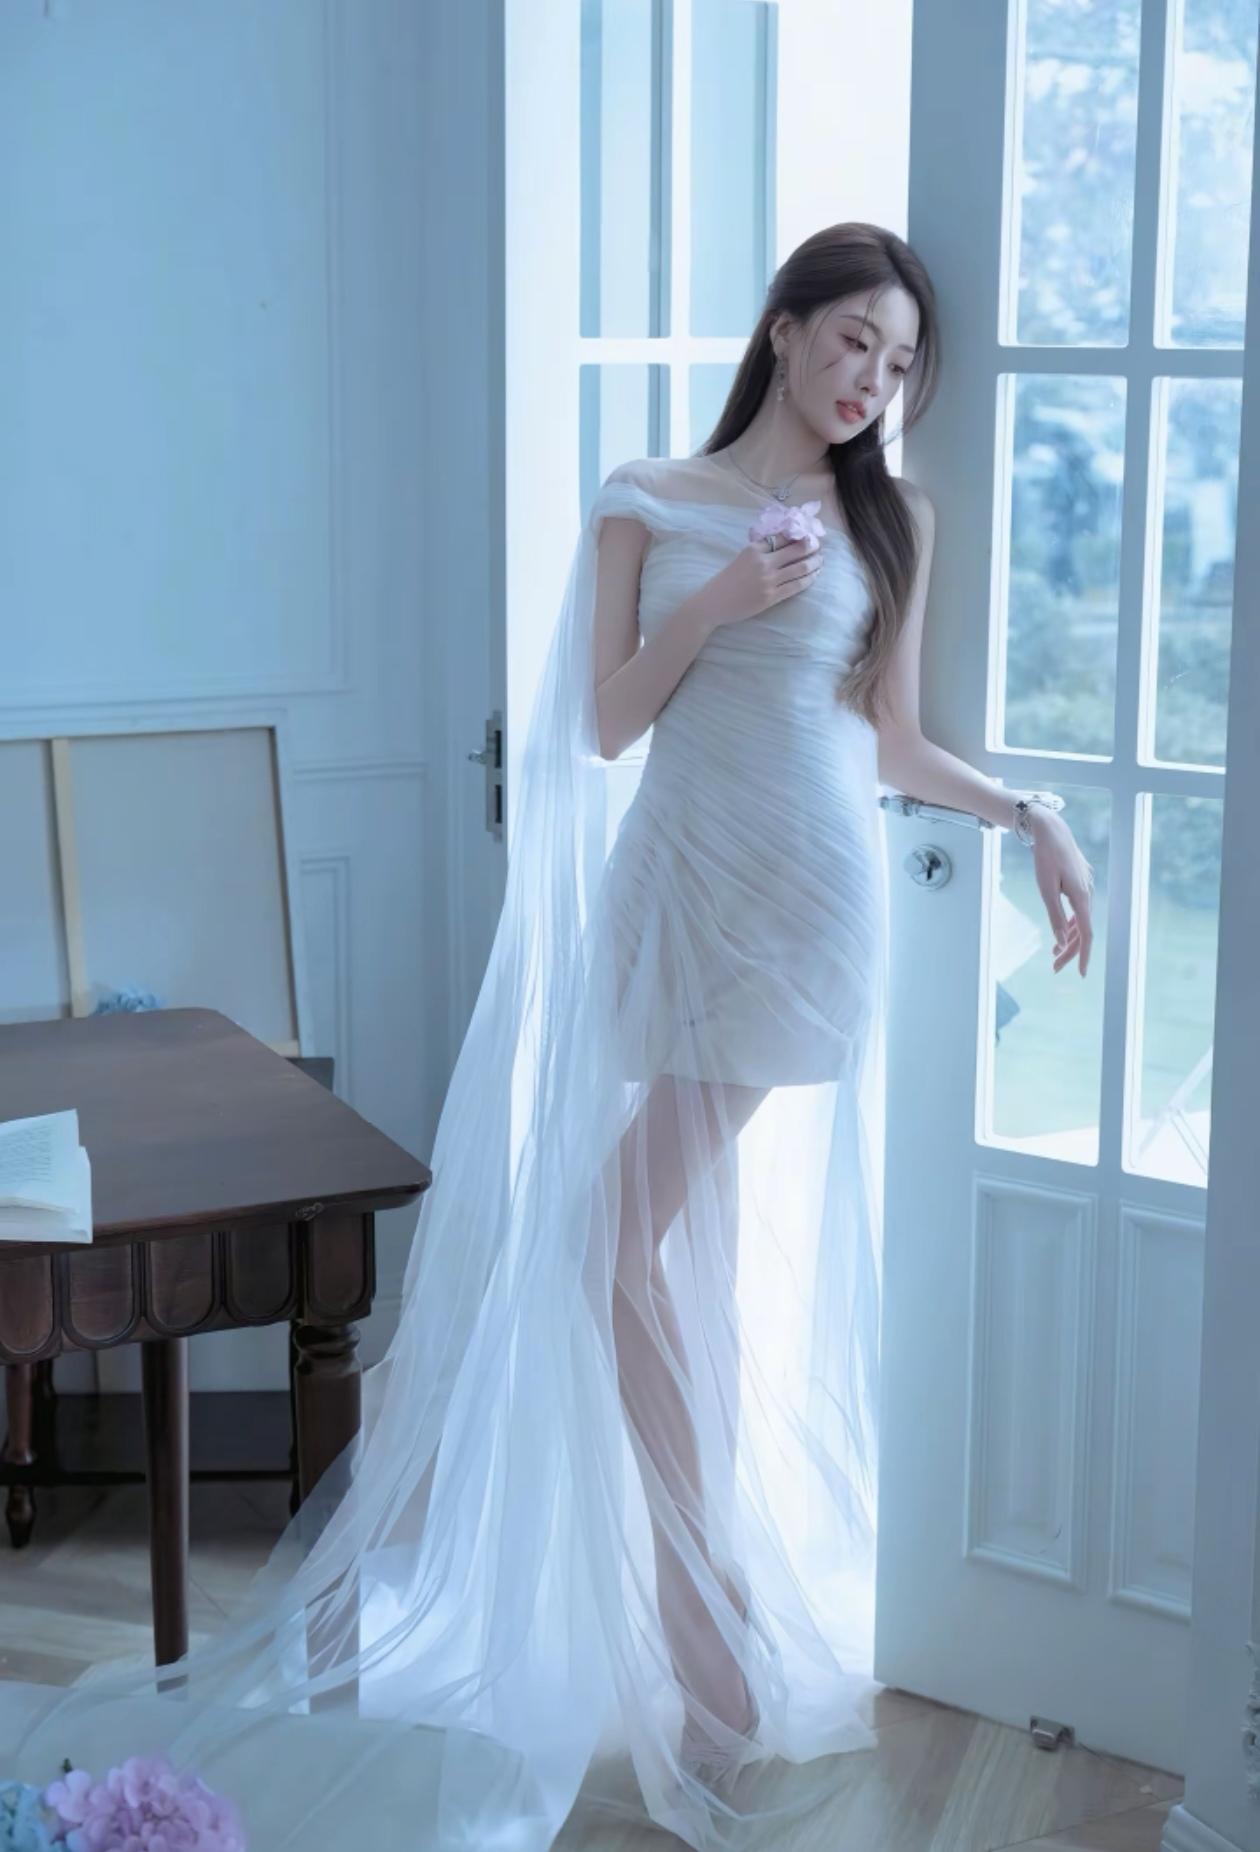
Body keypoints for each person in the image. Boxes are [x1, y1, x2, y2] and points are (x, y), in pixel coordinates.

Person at [12, 222, 1094, 1850]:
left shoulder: (895, 518)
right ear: (786, 330)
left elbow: (892, 738)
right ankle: (703, 1612)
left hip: (802, 902)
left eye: (899, 363)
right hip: (669, 893)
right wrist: (718, 598)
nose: (874, 384)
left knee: (607, 1241)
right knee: (661, 1254)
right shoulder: (646, 494)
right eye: (854, 344)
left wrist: (1030, 810)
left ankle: (707, 1621)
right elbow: (601, 723)